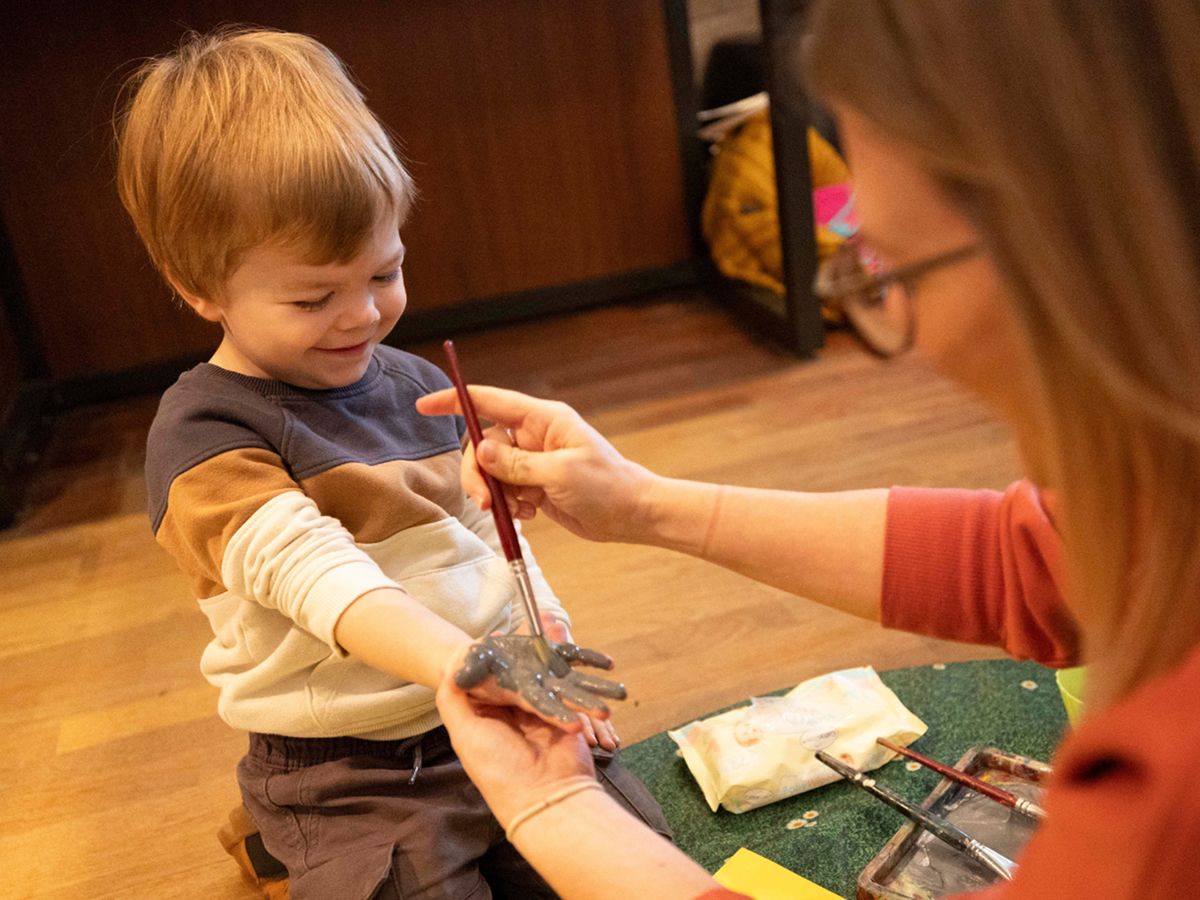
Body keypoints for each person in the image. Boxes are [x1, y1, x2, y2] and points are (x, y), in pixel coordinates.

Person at [416, 1, 1200, 897]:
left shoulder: (1166, 800)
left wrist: (553, 809)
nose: (912, 336)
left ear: (1067, 252)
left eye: (889, 272)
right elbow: (1046, 559)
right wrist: (640, 502)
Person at [115, 27, 668, 900]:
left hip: (489, 703)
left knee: (638, 852)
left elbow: (492, 540)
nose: (361, 316)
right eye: (312, 297)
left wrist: (544, 639)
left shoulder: (417, 387)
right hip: (347, 765)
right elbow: (320, 577)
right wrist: (465, 664)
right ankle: (281, 830)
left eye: (385, 272)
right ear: (199, 288)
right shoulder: (201, 435)